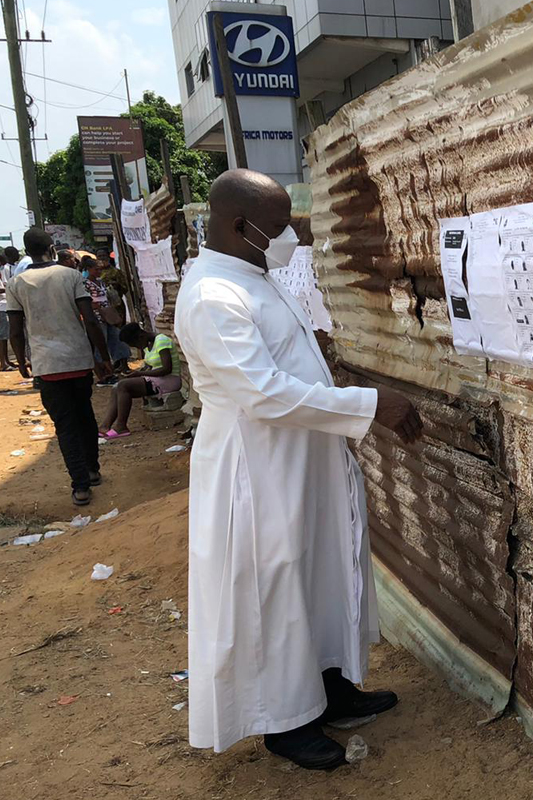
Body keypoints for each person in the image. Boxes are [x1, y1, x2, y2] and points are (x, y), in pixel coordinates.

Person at [174, 170, 423, 769]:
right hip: (258, 470)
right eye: (278, 224)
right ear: (238, 227)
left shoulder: (251, 274)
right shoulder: (214, 295)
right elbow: (263, 394)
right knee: (275, 586)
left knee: (317, 571)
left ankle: (328, 687)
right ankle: (286, 721)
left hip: (301, 459)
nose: (288, 235)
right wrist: (371, 403)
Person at [7, 228, 111, 506]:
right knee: (85, 415)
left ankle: (80, 487)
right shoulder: (71, 276)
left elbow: (16, 330)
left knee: (65, 426)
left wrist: (21, 361)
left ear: (27, 252)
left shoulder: (17, 283)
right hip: (78, 361)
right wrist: (102, 357)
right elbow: (90, 320)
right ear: (52, 249)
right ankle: (92, 470)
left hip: (47, 365)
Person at [98, 324, 183, 438]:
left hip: (169, 380)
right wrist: (135, 374)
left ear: (141, 336)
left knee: (123, 386)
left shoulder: (161, 341)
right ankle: (105, 426)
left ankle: (121, 427)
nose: (138, 348)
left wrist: (141, 374)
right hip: (157, 379)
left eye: (136, 344)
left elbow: (166, 369)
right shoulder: (148, 345)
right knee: (117, 387)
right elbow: (149, 367)